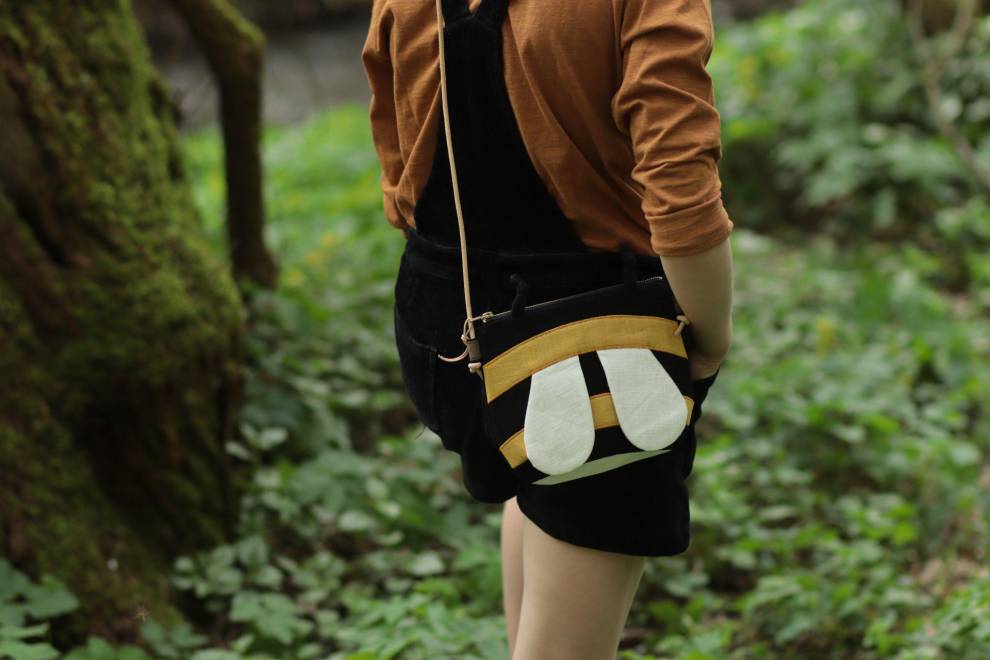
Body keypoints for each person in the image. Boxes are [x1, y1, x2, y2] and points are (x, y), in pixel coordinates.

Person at [362, 0, 734, 657]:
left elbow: (395, 143)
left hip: (447, 325)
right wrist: (709, 336)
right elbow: (680, 189)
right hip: (593, 346)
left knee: (540, 470)